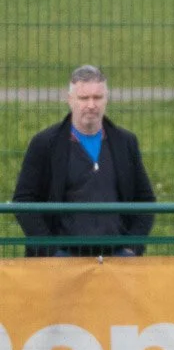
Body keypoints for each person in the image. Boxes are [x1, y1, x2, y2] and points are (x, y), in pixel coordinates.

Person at [12, 65, 156, 257]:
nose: (91, 105)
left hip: (115, 261)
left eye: (97, 97)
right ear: (70, 99)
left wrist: (131, 247)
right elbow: (24, 201)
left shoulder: (125, 142)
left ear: (107, 99)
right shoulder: (45, 143)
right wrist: (50, 251)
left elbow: (145, 200)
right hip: (61, 263)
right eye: (83, 98)